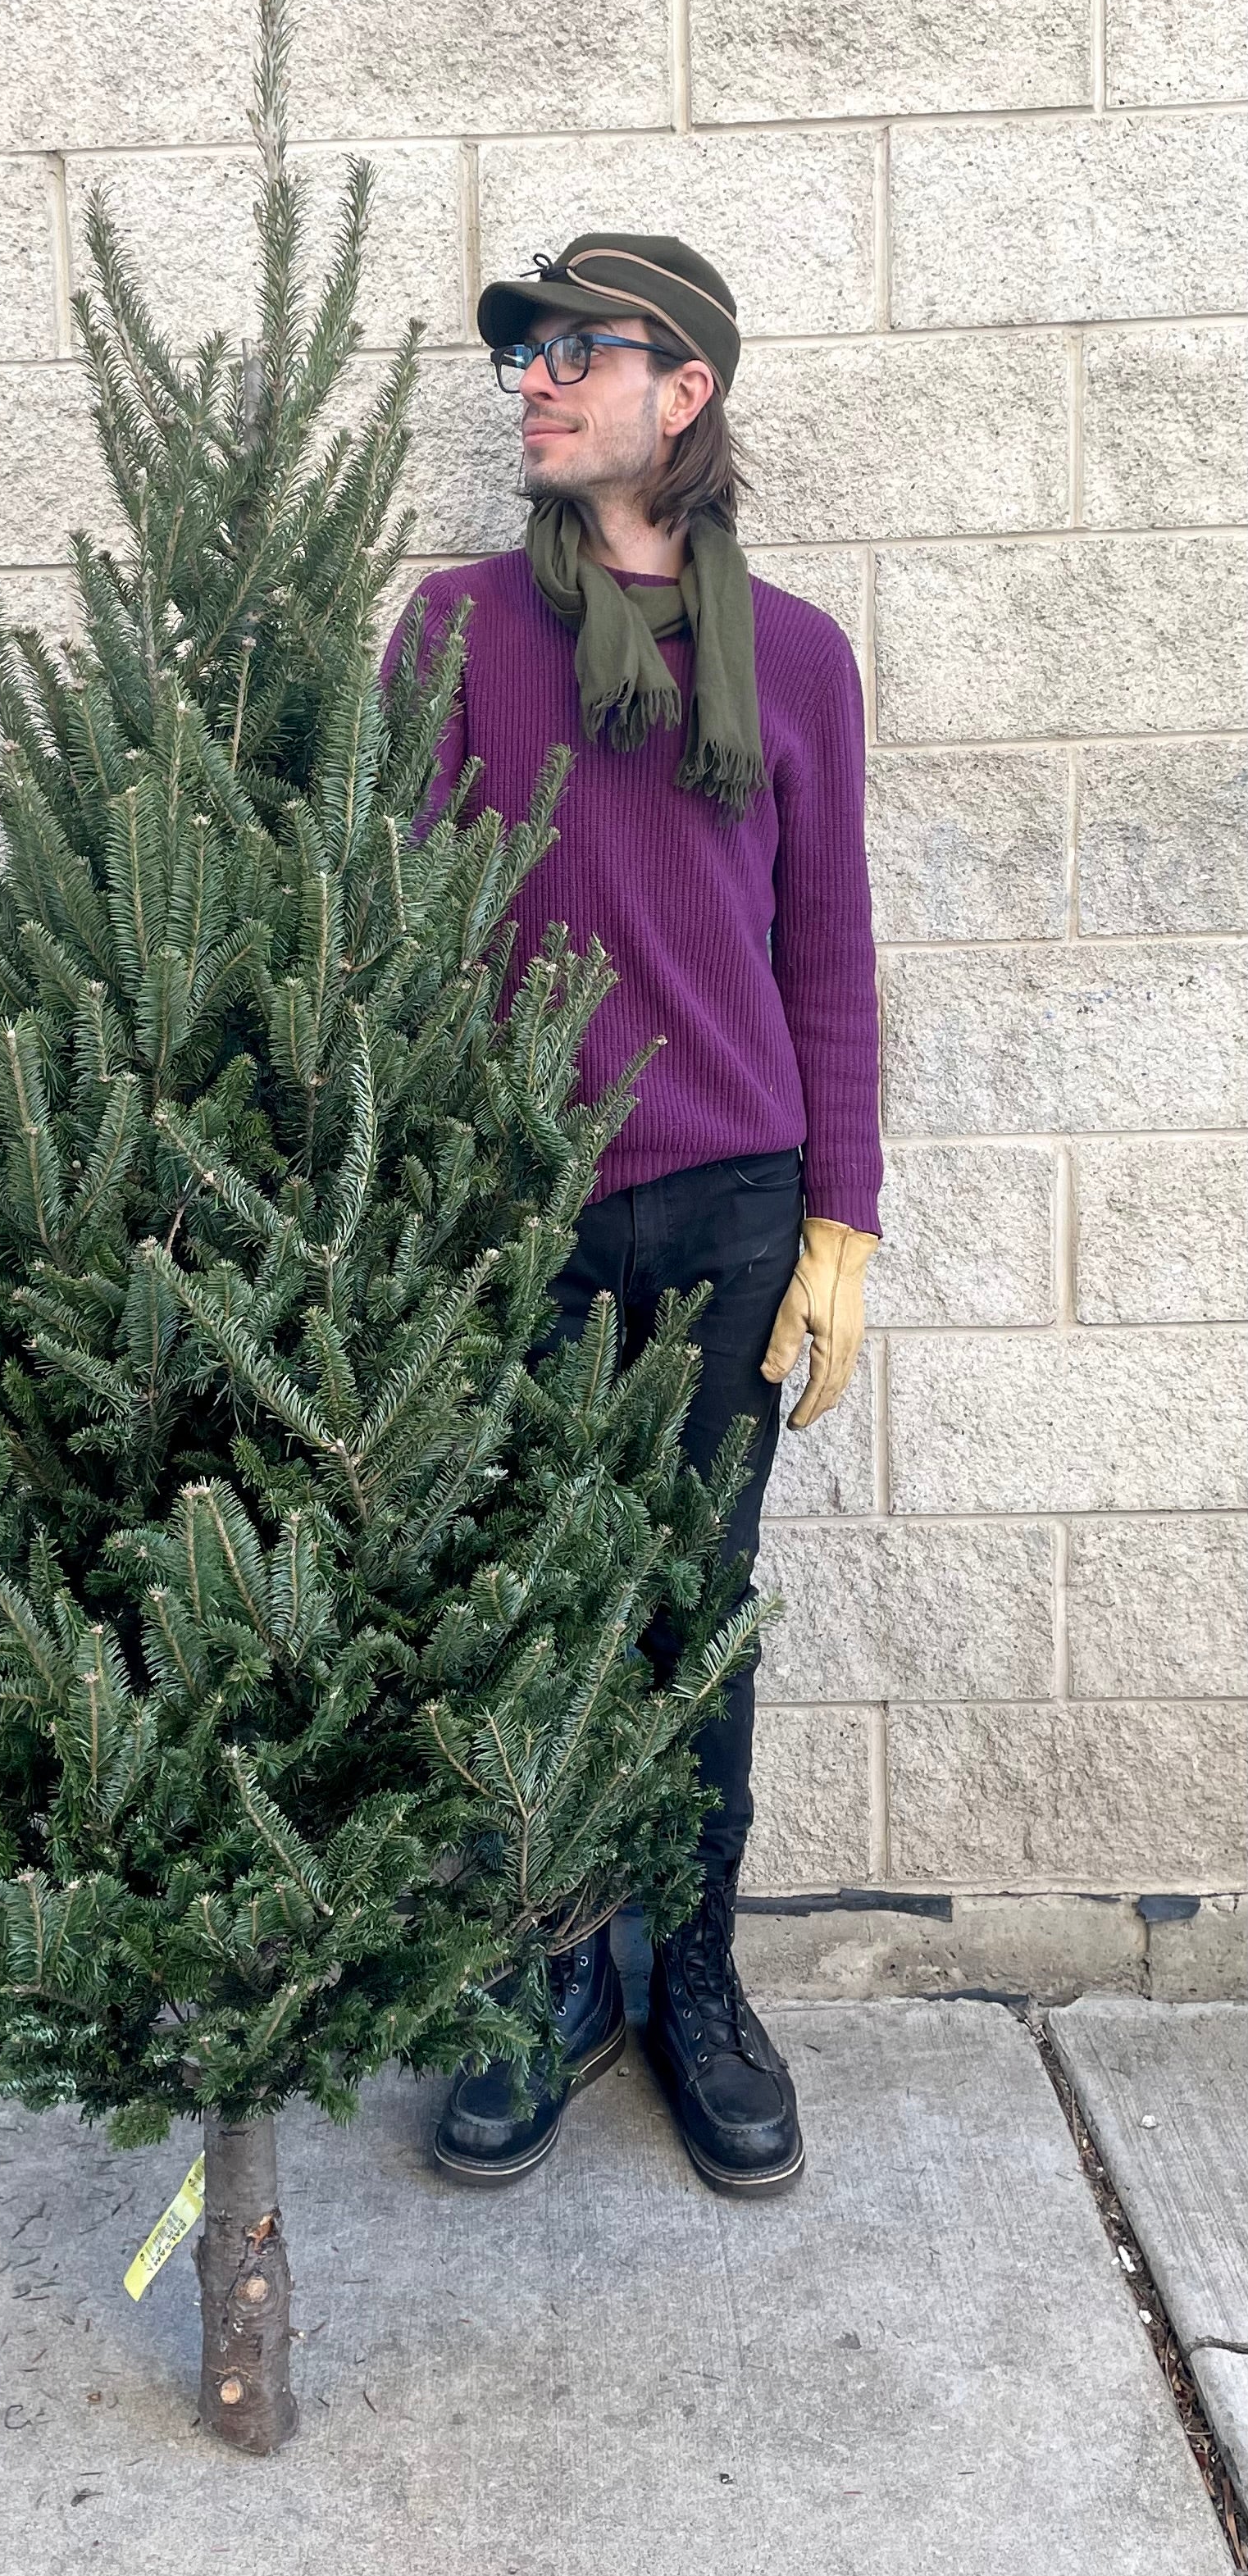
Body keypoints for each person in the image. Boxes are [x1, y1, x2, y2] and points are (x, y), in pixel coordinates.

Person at [382, 234, 883, 2199]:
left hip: (731, 1211)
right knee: (516, 1611)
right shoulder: (450, 636)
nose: (535, 379)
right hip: (516, 1220)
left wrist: (840, 1224)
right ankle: (540, 1979)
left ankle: (691, 1980)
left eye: (580, 351)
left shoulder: (806, 663)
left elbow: (824, 950)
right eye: (523, 352)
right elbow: (396, 934)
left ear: (684, 393)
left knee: (693, 1616)